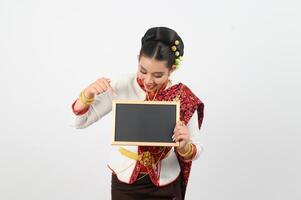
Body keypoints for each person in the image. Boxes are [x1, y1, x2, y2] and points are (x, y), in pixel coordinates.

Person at [69, 27, 205, 200]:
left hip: (166, 182)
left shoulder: (183, 97)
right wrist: (87, 95)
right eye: (143, 70)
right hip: (125, 181)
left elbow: (197, 148)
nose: (148, 80)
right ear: (137, 60)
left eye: (158, 75)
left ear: (172, 70)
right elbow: (78, 122)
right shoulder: (121, 85)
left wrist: (185, 147)